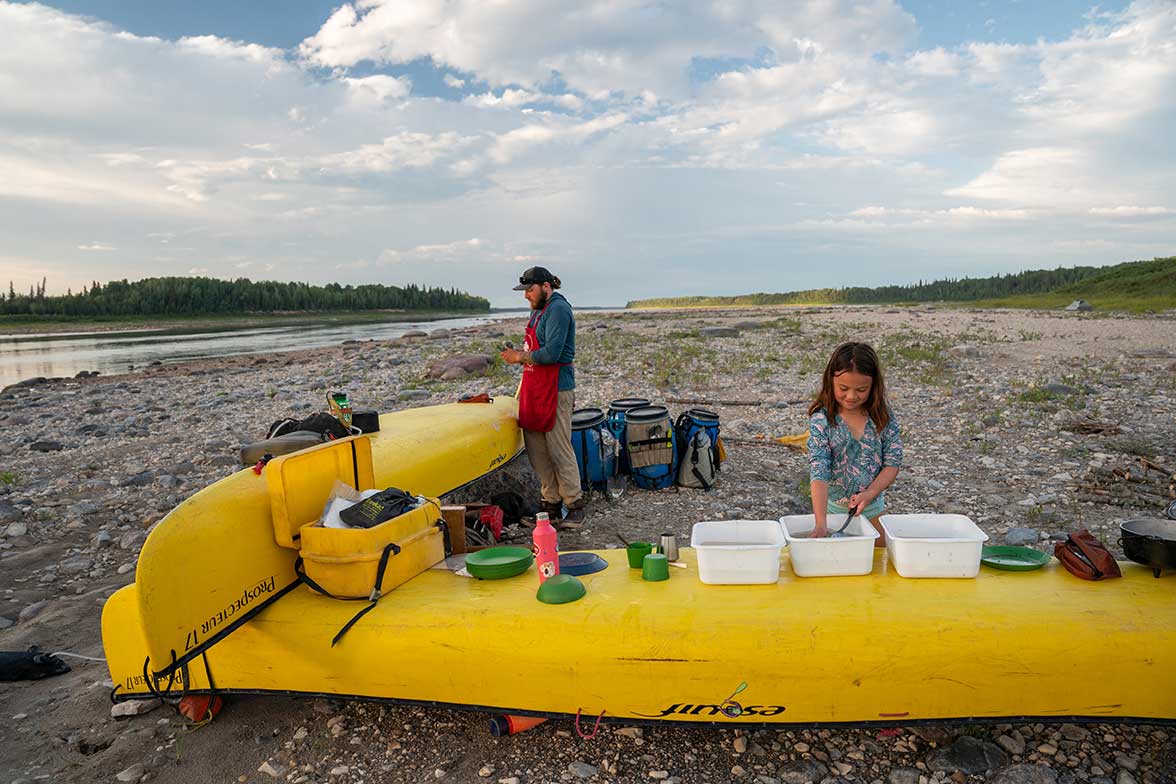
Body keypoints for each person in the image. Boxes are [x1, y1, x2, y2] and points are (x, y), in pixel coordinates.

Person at [499, 266, 585, 525]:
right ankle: (551, 503)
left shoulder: (558, 309)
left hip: (557, 387)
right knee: (536, 447)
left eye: (530, 290)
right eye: (524, 291)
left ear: (546, 286)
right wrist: (519, 355)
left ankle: (575, 505)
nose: (526, 295)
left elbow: (552, 354)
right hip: (536, 386)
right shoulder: (539, 310)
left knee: (559, 447)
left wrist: (519, 357)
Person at [806, 342, 903, 544]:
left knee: (884, 561)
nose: (851, 396)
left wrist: (870, 493)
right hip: (832, 513)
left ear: (874, 386)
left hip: (873, 510)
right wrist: (821, 522)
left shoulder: (883, 417)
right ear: (830, 381)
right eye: (843, 388)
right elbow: (819, 470)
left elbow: (892, 463)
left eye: (861, 389)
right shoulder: (822, 420)